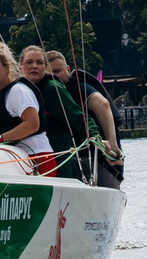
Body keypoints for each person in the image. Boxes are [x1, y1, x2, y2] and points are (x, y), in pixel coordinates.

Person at [47, 51, 125, 188]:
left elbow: (103, 104)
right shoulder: (53, 90)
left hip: (100, 168)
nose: (53, 77)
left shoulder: (76, 87)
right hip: (93, 167)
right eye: (48, 74)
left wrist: (112, 146)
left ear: (68, 70)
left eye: (57, 71)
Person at [0, 42, 53, 171]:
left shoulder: (18, 91)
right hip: (11, 159)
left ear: (6, 68)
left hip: (35, 157)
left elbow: (33, 124)